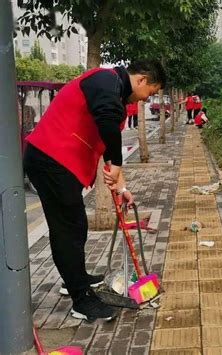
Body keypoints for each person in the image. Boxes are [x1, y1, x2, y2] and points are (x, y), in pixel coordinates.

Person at [23, 60, 166, 321]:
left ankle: (74, 278)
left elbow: (105, 140)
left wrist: (121, 186)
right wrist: (119, 166)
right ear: (142, 79)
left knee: (76, 227)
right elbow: (107, 122)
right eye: (152, 92)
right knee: (68, 227)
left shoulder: (115, 93)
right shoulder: (105, 80)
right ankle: (81, 299)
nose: (148, 98)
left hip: (62, 164)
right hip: (50, 160)